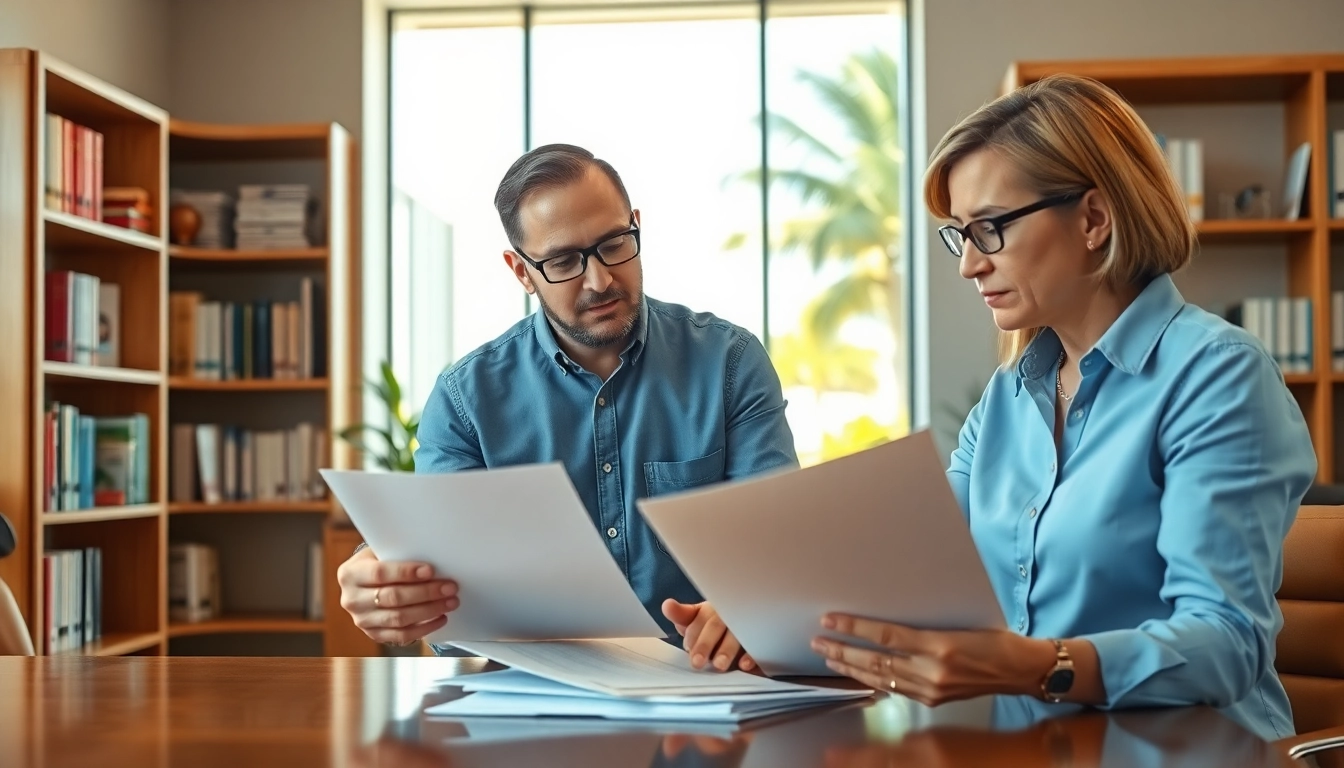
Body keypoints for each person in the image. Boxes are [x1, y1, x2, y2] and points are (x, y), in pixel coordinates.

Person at [803, 73, 1317, 741]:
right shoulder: (1007, 397)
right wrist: (769, 615)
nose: (969, 265)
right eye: (961, 235)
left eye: (990, 229)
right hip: (1037, 750)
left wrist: (1036, 666)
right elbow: (916, 563)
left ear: (1094, 219)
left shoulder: (1216, 374)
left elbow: (1226, 643)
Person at [335, 143, 798, 661]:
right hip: (535, 693)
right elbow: (438, 571)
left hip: (709, 684)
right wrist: (390, 585)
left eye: (614, 244)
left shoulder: (729, 364)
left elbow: (782, 552)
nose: (600, 280)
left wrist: (753, 605)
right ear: (521, 271)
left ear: (636, 226)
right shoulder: (465, 400)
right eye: (563, 261)